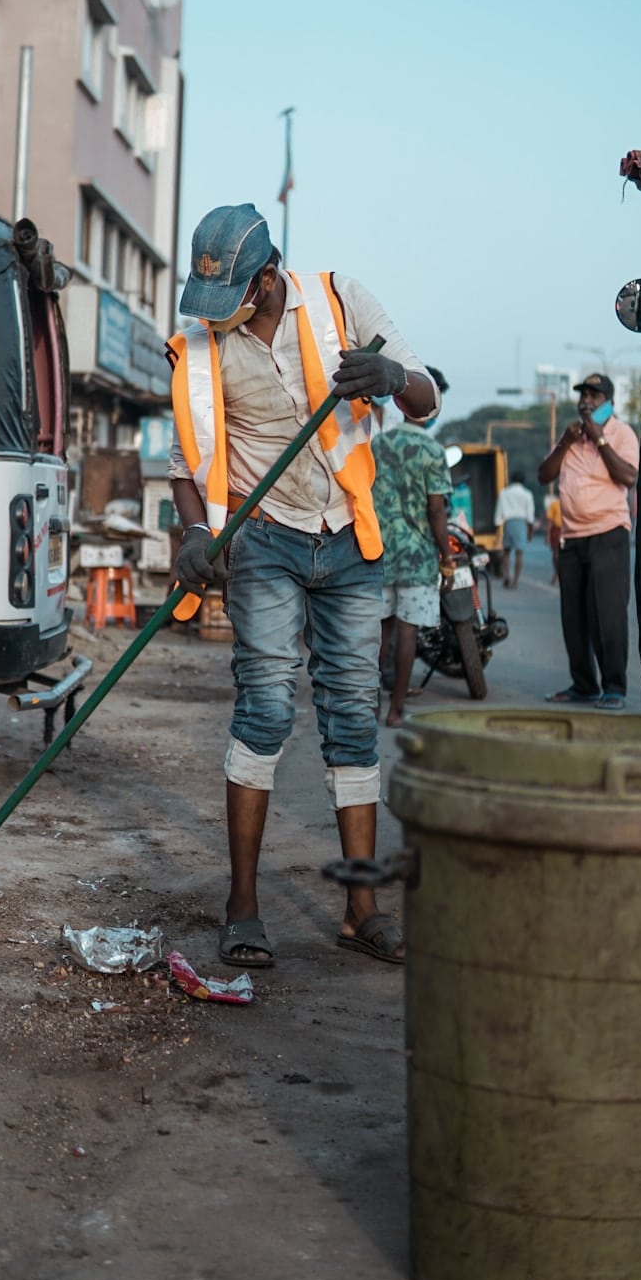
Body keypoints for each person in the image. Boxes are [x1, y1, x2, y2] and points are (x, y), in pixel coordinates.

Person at [167, 202, 438, 969]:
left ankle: (361, 909)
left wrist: (390, 376)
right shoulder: (198, 345)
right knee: (264, 705)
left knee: (352, 714)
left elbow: (425, 396)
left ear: (266, 273)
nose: (224, 313)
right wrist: (194, 531)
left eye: (238, 295)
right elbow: (187, 460)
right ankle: (243, 907)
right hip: (265, 541)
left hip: (350, 537)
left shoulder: (343, 300)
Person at [538, 372, 639, 710]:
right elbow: (544, 475)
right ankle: (583, 685)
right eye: (583, 396)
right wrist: (567, 442)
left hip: (608, 533)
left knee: (608, 615)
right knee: (574, 617)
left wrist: (601, 440)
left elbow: (628, 477)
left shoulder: (621, 433)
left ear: (608, 402)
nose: (586, 402)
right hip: (571, 538)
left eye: (594, 396)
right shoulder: (571, 436)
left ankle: (614, 688)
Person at [372, 365, 455, 728]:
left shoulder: (378, 444)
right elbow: (437, 509)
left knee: (380, 631)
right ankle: (396, 710)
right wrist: (447, 556)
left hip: (378, 552)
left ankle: (371, 704)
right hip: (418, 556)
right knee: (408, 632)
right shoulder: (433, 451)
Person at [495, 470, 536, 589]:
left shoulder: (504, 493)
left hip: (508, 522)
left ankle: (507, 575)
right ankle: (515, 581)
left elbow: (499, 512)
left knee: (506, 552)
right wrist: (530, 532)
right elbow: (530, 516)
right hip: (521, 523)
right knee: (519, 553)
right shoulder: (527, 494)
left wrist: (498, 528)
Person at [544, 490, 562, 584]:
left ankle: (558, 573)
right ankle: (556, 573)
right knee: (556, 553)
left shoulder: (570, 502)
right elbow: (549, 521)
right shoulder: (554, 504)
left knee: (560, 553)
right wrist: (547, 534)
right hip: (557, 530)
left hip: (567, 530)